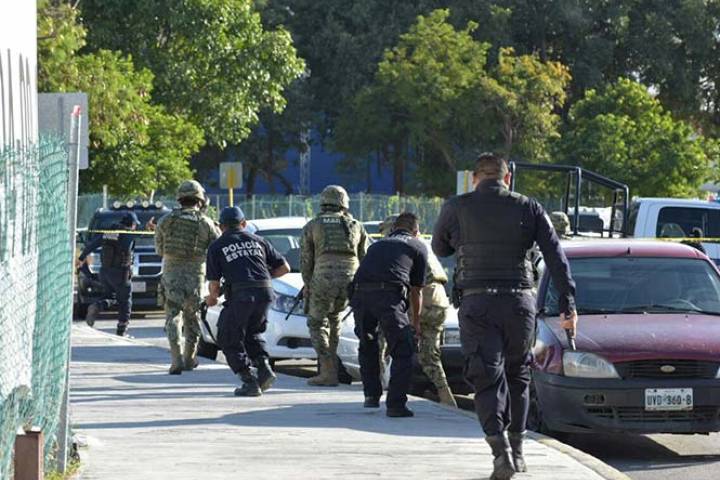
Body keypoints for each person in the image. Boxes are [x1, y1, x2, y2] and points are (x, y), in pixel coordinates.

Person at [432, 153, 577, 480]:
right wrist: (568, 304)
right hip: (519, 303)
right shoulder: (529, 207)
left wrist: (461, 240)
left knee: (486, 377)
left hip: (477, 303)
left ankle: (500, 453)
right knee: (518, 375)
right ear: (507, 177)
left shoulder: (456, 207)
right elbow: (556, 256)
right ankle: (519, 451)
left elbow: (440, 248)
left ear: (474, 178)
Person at [205, 206, 290, 396]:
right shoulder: (258, 240)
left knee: (228, 337)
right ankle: (264, 368)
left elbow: (214, 285)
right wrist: (262, 278)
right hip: (265, 292)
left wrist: (211, 299)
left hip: (241, 295)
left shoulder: (217, 246)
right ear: (243, 223)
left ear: (221, 226)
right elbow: (284, 267)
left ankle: (248, 380)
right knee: (253, 333)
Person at [351, 212, 427, 418]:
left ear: (393, 229)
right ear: (416, 231)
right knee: (403, 349)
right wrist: (416, 323)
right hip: (388, 297)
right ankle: (396, 405)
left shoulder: (377, 245)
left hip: (360, 295)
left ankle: (371, 396)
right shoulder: (417, 246)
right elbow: (416, 290)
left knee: (368, 344)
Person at [379, 216, 457, 407]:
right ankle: (446, 396)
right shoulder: (423, 244)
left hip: (420, 298)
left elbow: (405, 284)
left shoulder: (399, 246)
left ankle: (380, 386)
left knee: (384, 338)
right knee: (430, 354)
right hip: (439, 299)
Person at [301, 185, 369, 386]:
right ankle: (333, 370)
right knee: (335, 319)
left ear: (323, 202)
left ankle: (327, 370)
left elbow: (306, 259)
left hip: (323, 277)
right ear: (344, 203)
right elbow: (365, 257)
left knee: (316, 323)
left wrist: (307, 284)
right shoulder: (356, 225)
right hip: (350, 278)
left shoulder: (313, 225)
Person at [155, 180, 220, 375]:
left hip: (171, 274)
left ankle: (176, 359)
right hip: (195, 276)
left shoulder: (165, 221)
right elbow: (215, 249)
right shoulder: (206, 223)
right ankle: (189, 358)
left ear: (179, 198)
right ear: (199, 200)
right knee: (192, 317)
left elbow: (159, 250)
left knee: (173, 316)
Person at [77, 211, 140, 336]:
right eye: (135, 225)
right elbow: (143, 234)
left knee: (110, 296)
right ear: (132, 224)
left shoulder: (109, 233)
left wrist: (81, 258)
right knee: (125, 301)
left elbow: (92, 245)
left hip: (105, 272)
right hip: (121, 273)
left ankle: (97, 305)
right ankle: (122, 330)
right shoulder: (128, 235)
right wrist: (150, 227)